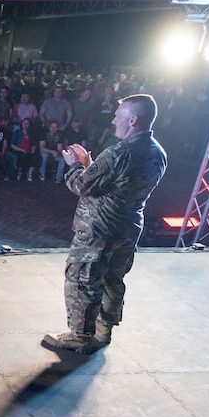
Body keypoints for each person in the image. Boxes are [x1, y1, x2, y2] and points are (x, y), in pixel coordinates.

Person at [43, 94, 168, 354]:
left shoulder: (118, 153)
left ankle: (79, 335)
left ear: (133, 119)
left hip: (99, 230)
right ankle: (103, 331)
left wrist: (76, 166)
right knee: (112, 279)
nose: (113, 120)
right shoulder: (157, 152)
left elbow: (81, 185)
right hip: (128, 227)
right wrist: (92, 165)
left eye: (118, 115)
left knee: (82, 280)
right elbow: (117, 184)